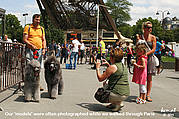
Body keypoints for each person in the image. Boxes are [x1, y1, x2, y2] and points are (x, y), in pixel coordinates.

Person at [23, 14, 47, 91]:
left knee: (38, 68)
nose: (38, 21)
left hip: (39, 50)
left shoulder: (42, 28)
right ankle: (28, 84)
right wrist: (31, 45)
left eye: (39, 19)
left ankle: (37, 84)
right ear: (33, 19)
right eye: (37, 19)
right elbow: (24, 39)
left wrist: (44, 48)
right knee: (29, 68)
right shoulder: (28, 27)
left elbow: (43, 39)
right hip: (30, 50)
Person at [142, 21, 156, 102]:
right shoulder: (141, 36)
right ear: (144, 28)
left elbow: (154, 49)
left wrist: (146, 54)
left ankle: (148, 94)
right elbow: (137, 46)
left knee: (149, 77)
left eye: (151, 27)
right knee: (142, 77)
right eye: (148, 27)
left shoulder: (153, 37)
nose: (150, 29)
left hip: (150, 58)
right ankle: (142, 93)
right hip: (142, 58)